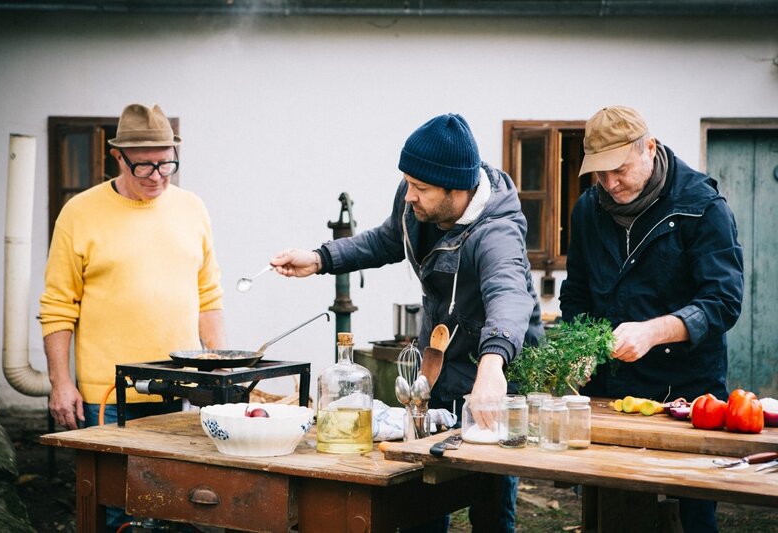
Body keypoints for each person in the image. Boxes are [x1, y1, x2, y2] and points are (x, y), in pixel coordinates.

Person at [272, 113, 543, 532]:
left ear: (457, 190)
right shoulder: (417, 193)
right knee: (423, 495)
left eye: (420, 189)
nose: (408, 196)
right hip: (436, 364)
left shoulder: (498, 232)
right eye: (408, 183)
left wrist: (492, 370)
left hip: (492, 370)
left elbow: (509, 298)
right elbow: (387, 239)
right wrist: (321, 258)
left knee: (488, 501)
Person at [560, 106, 744, 533]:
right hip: (613, 390)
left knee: (694, 512)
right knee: (613, 511)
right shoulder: (588, 210)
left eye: (619, 170)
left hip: (688, 390)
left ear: (650, 148)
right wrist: (579, 348)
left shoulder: (703, 206)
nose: (609, 184)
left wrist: (653, 331)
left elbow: (722, 301)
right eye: (599, 174)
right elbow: (577, 292)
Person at [40, 102, 226, 430]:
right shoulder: (79, 213)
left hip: (179, 390)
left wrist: (221, 367)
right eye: (144, 166)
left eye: (166, 164)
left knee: (172, 482)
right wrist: (61, 383)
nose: (157, 176)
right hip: (108, 395)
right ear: (118, 158)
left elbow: (208, 297)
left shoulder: (192, 208)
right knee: (110, 483)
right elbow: (58, 308)